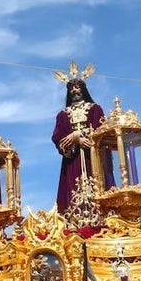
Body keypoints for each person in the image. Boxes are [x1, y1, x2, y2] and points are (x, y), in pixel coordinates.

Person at [51, 76, 106, 214]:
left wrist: (79, 135)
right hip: (72, 160)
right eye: (71, 88)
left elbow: (102, 130)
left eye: (77, 87)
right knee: (71, 187)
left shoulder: (95, 109)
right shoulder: (63, 115)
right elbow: (58, 136)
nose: (74, 90)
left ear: (83, 89)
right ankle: (73, 216)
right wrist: (74, 140)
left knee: (97, 185)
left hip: (91, 157)